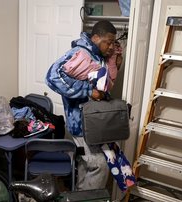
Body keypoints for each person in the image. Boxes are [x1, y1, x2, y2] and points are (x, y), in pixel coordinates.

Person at [45, 20, 125, 191]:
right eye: (108, 42)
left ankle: (81, 194)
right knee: (100, 165)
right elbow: (52, 77)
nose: (111, 46)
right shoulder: (79, 53)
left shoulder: (99, 57)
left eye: (113, 42)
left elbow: (102, 85)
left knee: (86, 164)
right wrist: (88, 90)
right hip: (81, 123)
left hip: (96, 121)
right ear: (96, 37)